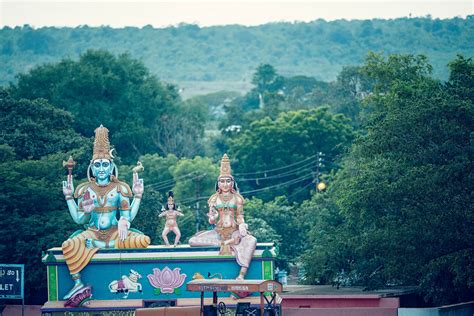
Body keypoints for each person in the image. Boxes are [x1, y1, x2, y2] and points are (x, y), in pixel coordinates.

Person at [61, 125, 150, 300]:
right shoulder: (84, 190)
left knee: (143, 240)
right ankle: (78, 283)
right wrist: (69, 197)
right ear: (92, 168)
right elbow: (80, 219)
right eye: (98, 165)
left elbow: (127, 216)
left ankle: (101, 247)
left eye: (105, 164)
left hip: (116, 233)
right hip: (92, 234)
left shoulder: (120, 188)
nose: (101, 168)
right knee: (68, 245)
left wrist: (137, 197)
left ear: (111, 167)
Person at [189, 154, 257, 280]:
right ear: (218, 183)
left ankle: (241, 274)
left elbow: (240, 216)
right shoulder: (214, 199)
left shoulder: (237, 198)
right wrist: (213, 217)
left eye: (228, 181)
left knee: (251, 240)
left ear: (232, 183)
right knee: (193, 241)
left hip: (235, 232)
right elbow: (211, 220)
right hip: (218, 233)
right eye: (222, 181)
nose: (225, 184)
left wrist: (242, 225)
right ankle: (225, 243)